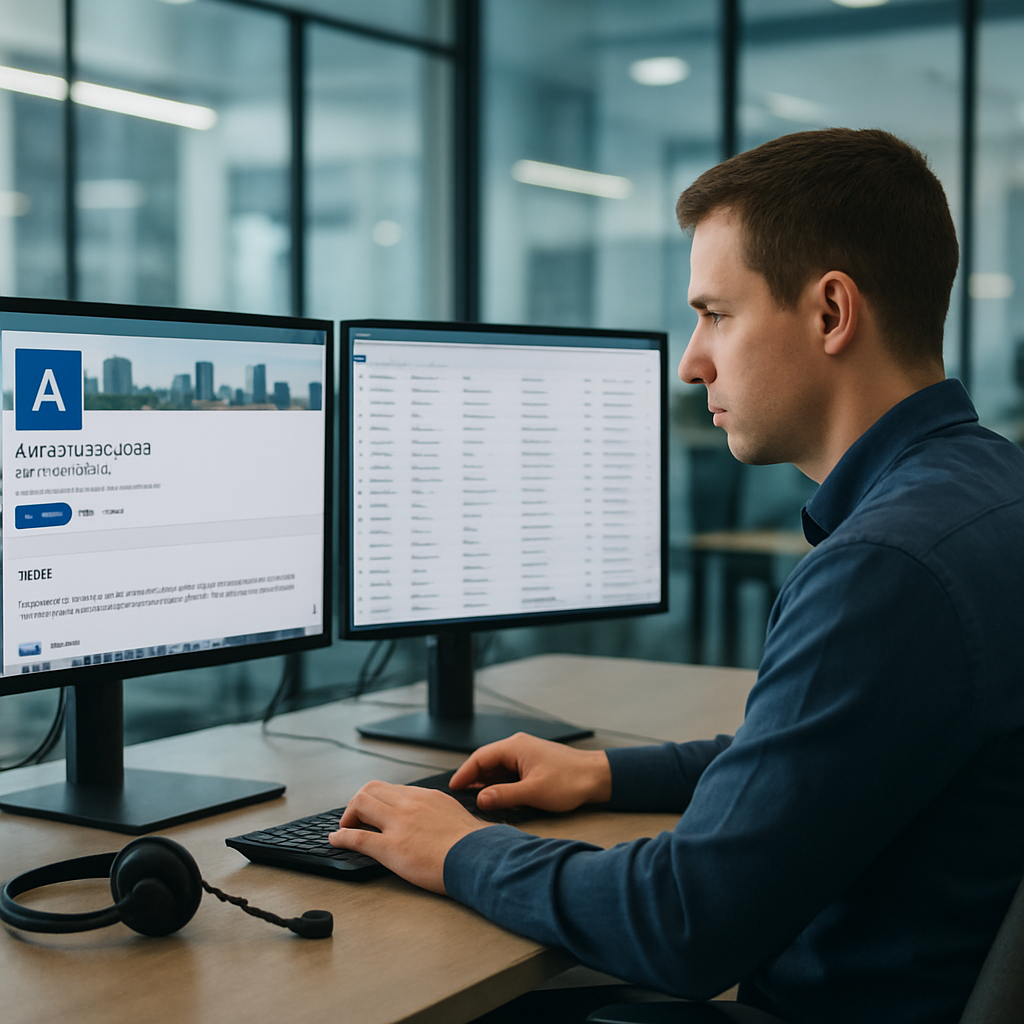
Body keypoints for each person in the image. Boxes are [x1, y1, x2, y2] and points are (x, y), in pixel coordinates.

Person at [329, 128, 1024, 1024]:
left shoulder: (884, 570)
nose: (694, 360)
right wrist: (606, 776)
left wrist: (458, 849)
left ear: (831, 314)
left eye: (717, 314)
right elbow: (822, 755)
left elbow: (684, 924)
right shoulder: (991, 492)